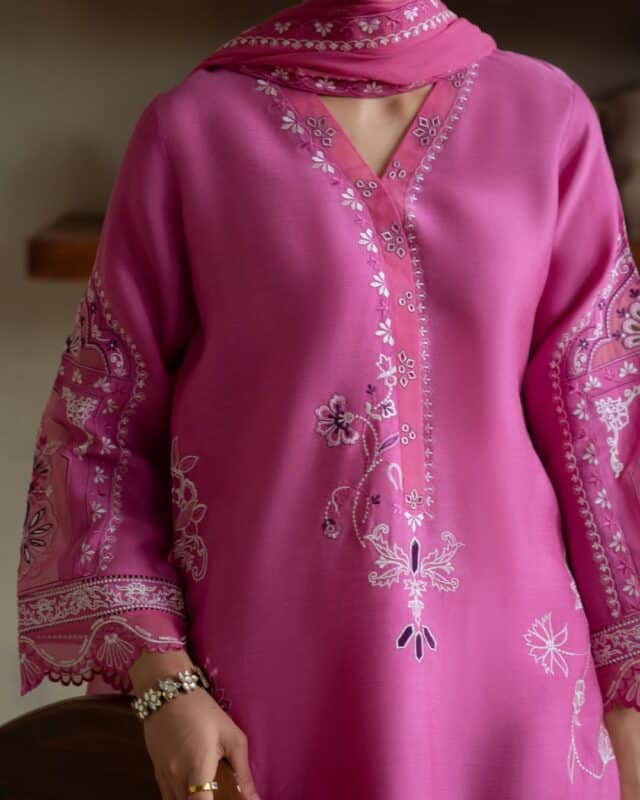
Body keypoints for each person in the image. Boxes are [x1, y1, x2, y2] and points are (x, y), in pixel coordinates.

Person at [15, 0, 640, 798]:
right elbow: (97, 431)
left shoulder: (547, 116)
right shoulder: (195, 131)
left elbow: (606, 423)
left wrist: (630, 697)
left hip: (522, 689)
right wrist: (166, 683)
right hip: (268, 695)